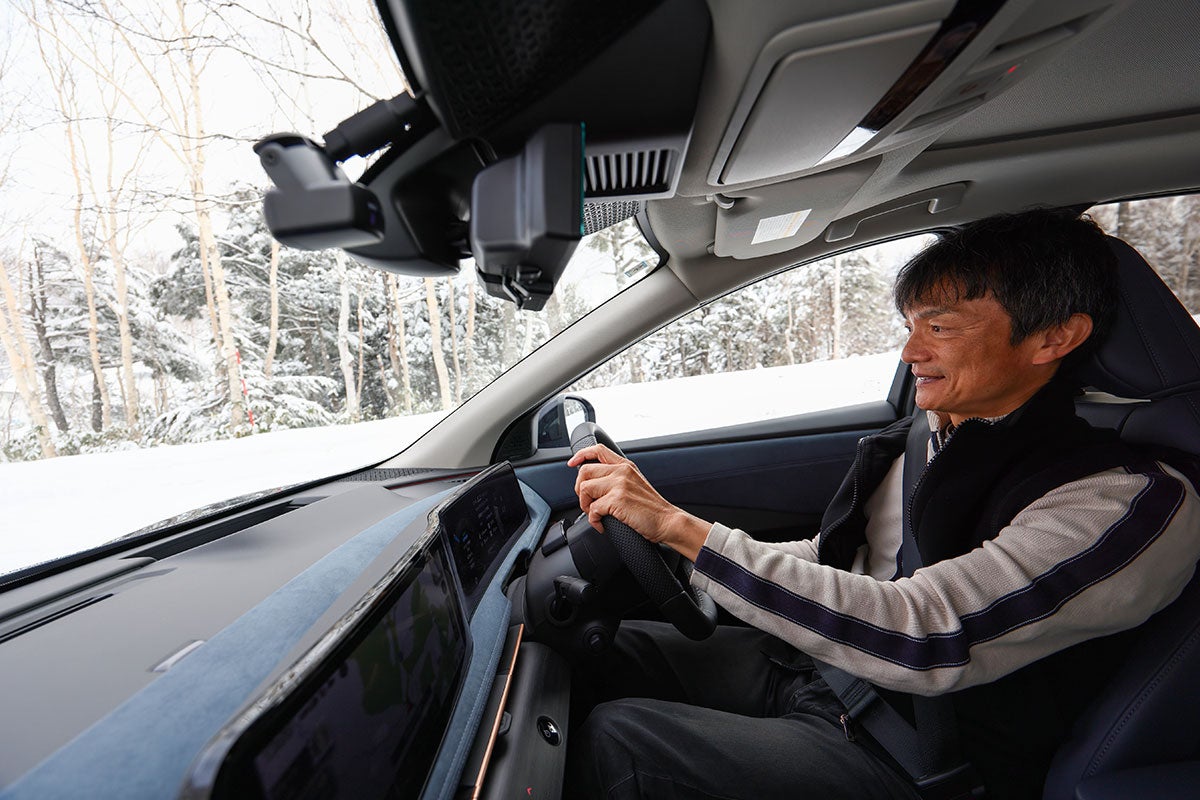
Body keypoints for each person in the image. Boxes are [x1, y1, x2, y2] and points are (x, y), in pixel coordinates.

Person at [565, 209, 1200, 800]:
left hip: (920, 755)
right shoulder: (940, 432)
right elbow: (841, 558)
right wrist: (681, 559)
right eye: (912, 325)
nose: (910, 352)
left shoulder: (1126, 503)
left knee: (623, 742)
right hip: (830, 676)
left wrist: (685, 533)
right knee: (596, 653)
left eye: (942, 327)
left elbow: (925, 632)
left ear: (1055, 337)